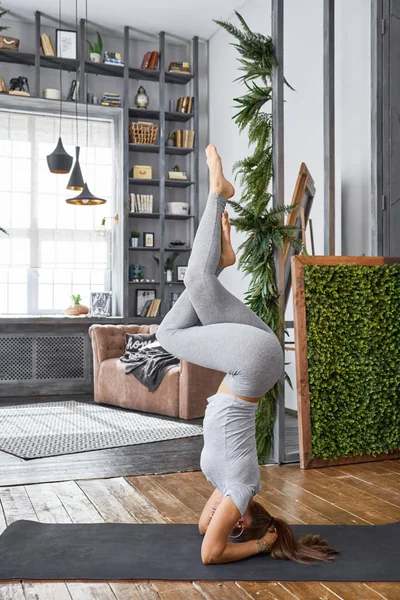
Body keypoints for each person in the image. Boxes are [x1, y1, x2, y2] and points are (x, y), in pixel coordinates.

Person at [156, 145, 339, 565]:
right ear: (239, 521)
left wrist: (245, 527)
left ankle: (222, 260)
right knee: (185, 296)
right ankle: (218, 192)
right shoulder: (240, 488)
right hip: (251, 366)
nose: (220, 516)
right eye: (231, 520)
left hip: (260, 361)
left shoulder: (228, 488)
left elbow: (205, 529)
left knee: (183, 309)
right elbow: (210, 553)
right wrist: (261, 544)